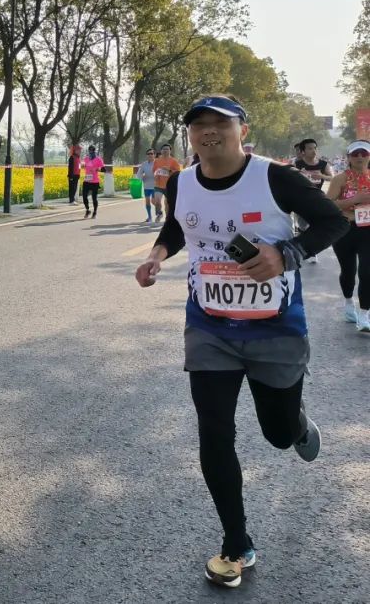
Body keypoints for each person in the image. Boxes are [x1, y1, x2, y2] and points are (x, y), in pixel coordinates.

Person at [135, 95, 347, 590]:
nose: (208, 132)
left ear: (242, 131)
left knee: (275, 432)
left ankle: (293, 423)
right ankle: (236, 543)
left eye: (219, 124)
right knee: (214, 432)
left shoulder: (274, 177)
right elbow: (176, 225)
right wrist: (157, 254)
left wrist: (287, 254)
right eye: (198, 126)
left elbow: (333, 222)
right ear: (190, 134)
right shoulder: (181, 181)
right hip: (209, 326)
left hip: (274, 328)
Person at [325, 140, 370, 331]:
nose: (360, 157)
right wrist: (354, 200)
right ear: (349, 157)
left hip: (367, 229)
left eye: (363, 153)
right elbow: (328, 204)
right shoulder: (340, 179)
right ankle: (349, 303)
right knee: (348, 271)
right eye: (355, 154)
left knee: (367, 272)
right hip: (345, 229)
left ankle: (364, 314)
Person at [293, 138, 333, 264]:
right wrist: (300, 175)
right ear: (303, 151)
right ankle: (300, 249)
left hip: (318, 199)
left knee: (315, 226)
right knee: (303, 227)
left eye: (315, 148)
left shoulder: (323, 164)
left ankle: (312, 252)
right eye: (310, 148)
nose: (313, 151)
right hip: (301, 200)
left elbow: (332, 177)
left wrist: (322, 176)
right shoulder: (297, 164)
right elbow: (288, 179)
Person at [152, 143, 182, 223]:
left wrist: (169, 170)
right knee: (157, 201)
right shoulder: (157, 161)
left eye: (167, 149)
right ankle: (159, 214)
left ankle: (167, 220)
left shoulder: (174, 161)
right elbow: (154, 171)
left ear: (170, 151)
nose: (165, 151)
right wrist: (156, 175)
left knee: (167, 204)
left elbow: (178, 173)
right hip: (158, 185)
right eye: (164, 149)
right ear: (161, 151)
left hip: (170, 185)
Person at [80, 145, 104, 219]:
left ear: (94, 151)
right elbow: (81, 165)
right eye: (89, 150)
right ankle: (87, 210)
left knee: (94, 198)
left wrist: (97, 169)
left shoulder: (98, 159)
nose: (91, 152)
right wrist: (82, 166)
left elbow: (104, 169)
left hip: (95, 181)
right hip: (87, 180)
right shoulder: (86, 158)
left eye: (92, 150)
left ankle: (95, 212)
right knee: (84, 197)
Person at [136, 149, 158, 223]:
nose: (150, 155)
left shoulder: (158, 163)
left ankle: (159, 212)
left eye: (152, 153)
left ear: (154, 155)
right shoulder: (144, 164)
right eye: (148, 154)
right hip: (147, 185)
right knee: (147, 201)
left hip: (156, 185)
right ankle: (149, 217)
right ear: (147, 155)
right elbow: (139, 174)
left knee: (154, 201)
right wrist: (142, 177)